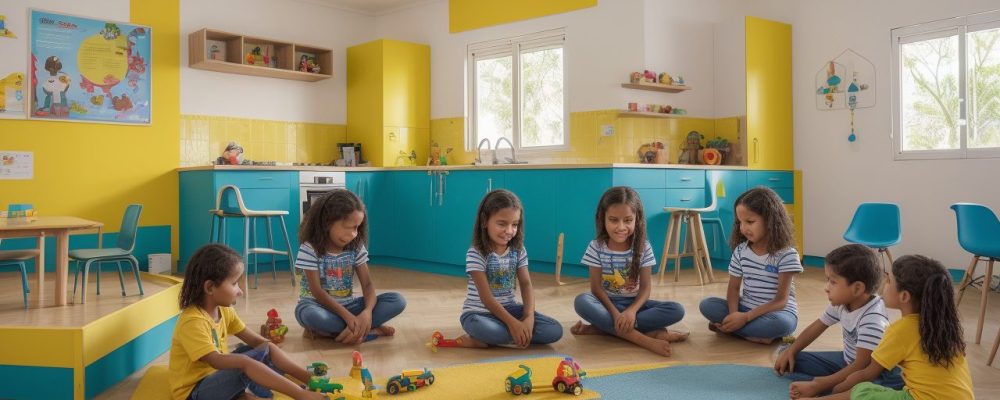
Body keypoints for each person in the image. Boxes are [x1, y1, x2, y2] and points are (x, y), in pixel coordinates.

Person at [801, 255, 973, 400]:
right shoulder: (945, 328)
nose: (885, 284)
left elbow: (867, 374)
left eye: (889, 280)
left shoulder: (901, 330)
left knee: (863, 390)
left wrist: (832, 391)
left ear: (904, 296)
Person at [169, 244, 326, 400]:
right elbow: (216, 360)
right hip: (195, 393)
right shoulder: (192, 321)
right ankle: (300, 394)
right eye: (234, 283)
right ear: (210, 287)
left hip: (219, 380)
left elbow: (257, 342)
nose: (240, 291)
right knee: (245, 363)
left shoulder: (224, 311)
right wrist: (248, 361)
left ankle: (308, 379)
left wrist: (267, 339)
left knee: (265, 348)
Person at [571, 186, 687, 356]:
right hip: (607, 305)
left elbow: (646, 288)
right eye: (613, 220)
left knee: (677, 309)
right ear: (602, 218)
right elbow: (596, 288)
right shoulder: (596, 247)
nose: (621, 227)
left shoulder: (643, 247)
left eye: (627, 220)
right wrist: (616, 315)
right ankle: (645, 338)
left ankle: (603, 329)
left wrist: (631, 312)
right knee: (581, 301)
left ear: (636, 219)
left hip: (637, 306)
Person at [775, 244, 902, 398]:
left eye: (833, 282)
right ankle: (828, 384)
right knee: (787, 357)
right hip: (847, 361)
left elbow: (862, 366)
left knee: (856, 391)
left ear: (857, 289)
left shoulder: (873, 321)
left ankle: (825, 387)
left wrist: (820, 384)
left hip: (871, 375)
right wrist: (792, 350)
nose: (826, 288)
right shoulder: (842, 303)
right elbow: (817, 326)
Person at [294, 189, 405, 344]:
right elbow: (317, 292)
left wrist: (366, 313)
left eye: (357, 228)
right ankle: (369, 330)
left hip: (349, 306)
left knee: (397, 300)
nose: (354, 234)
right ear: (328, 222)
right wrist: (348, 317)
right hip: (317, 306)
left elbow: (367, 284)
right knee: (311, 316)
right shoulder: (310, 248)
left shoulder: (355, 246)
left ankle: (336, 331)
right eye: (349, 227)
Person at [457, 189, 563, 348]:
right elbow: (486, 299)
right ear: (485, 221)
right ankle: (501, 335)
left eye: (514, 224)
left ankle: (495, 339)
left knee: (554, 330)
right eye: (502, 224)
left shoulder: (518, 250)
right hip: (479, 313)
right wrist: (513, 324)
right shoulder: (476, 253)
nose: (509, 231)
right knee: (487, 329)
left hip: (511, 309)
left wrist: (528, 318)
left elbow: (526, 284)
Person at [699, 187, 803, 343]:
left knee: (782, 324)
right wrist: (734, 315)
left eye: (750, 222)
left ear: (770, 220)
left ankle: (734, 330)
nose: (743, 228)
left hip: (777, 312)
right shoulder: (741, 251)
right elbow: (734, 288)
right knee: (707, 305)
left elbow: (781, 301)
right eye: (740, 222)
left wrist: (745, 318)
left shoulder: (786, 254)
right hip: (746, 307)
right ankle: (755, 335)